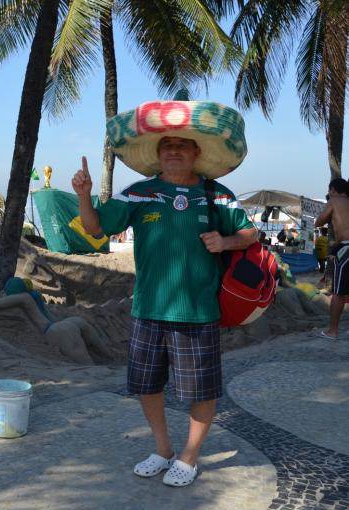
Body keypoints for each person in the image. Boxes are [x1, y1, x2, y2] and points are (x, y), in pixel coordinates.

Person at [74, 91, 257, 487]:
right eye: (167, 145)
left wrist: (225, 243)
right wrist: (84, 195)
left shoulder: (216, 195)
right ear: (159, 154)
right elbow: (94, 228)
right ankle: (163, 449)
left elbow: (249, 232)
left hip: (197, 311)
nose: (173, 151)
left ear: (195, 153)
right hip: (148, 309)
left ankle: (189, 457)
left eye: (181, 145)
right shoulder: (138, 193)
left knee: (200, 390)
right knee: (146, 385)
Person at [314, 178, 349, 339]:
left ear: (333, 189)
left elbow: (318, 221)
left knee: (338, 293)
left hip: (346, 248)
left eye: (329, 190)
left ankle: (333, 331)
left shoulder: (334, 200)